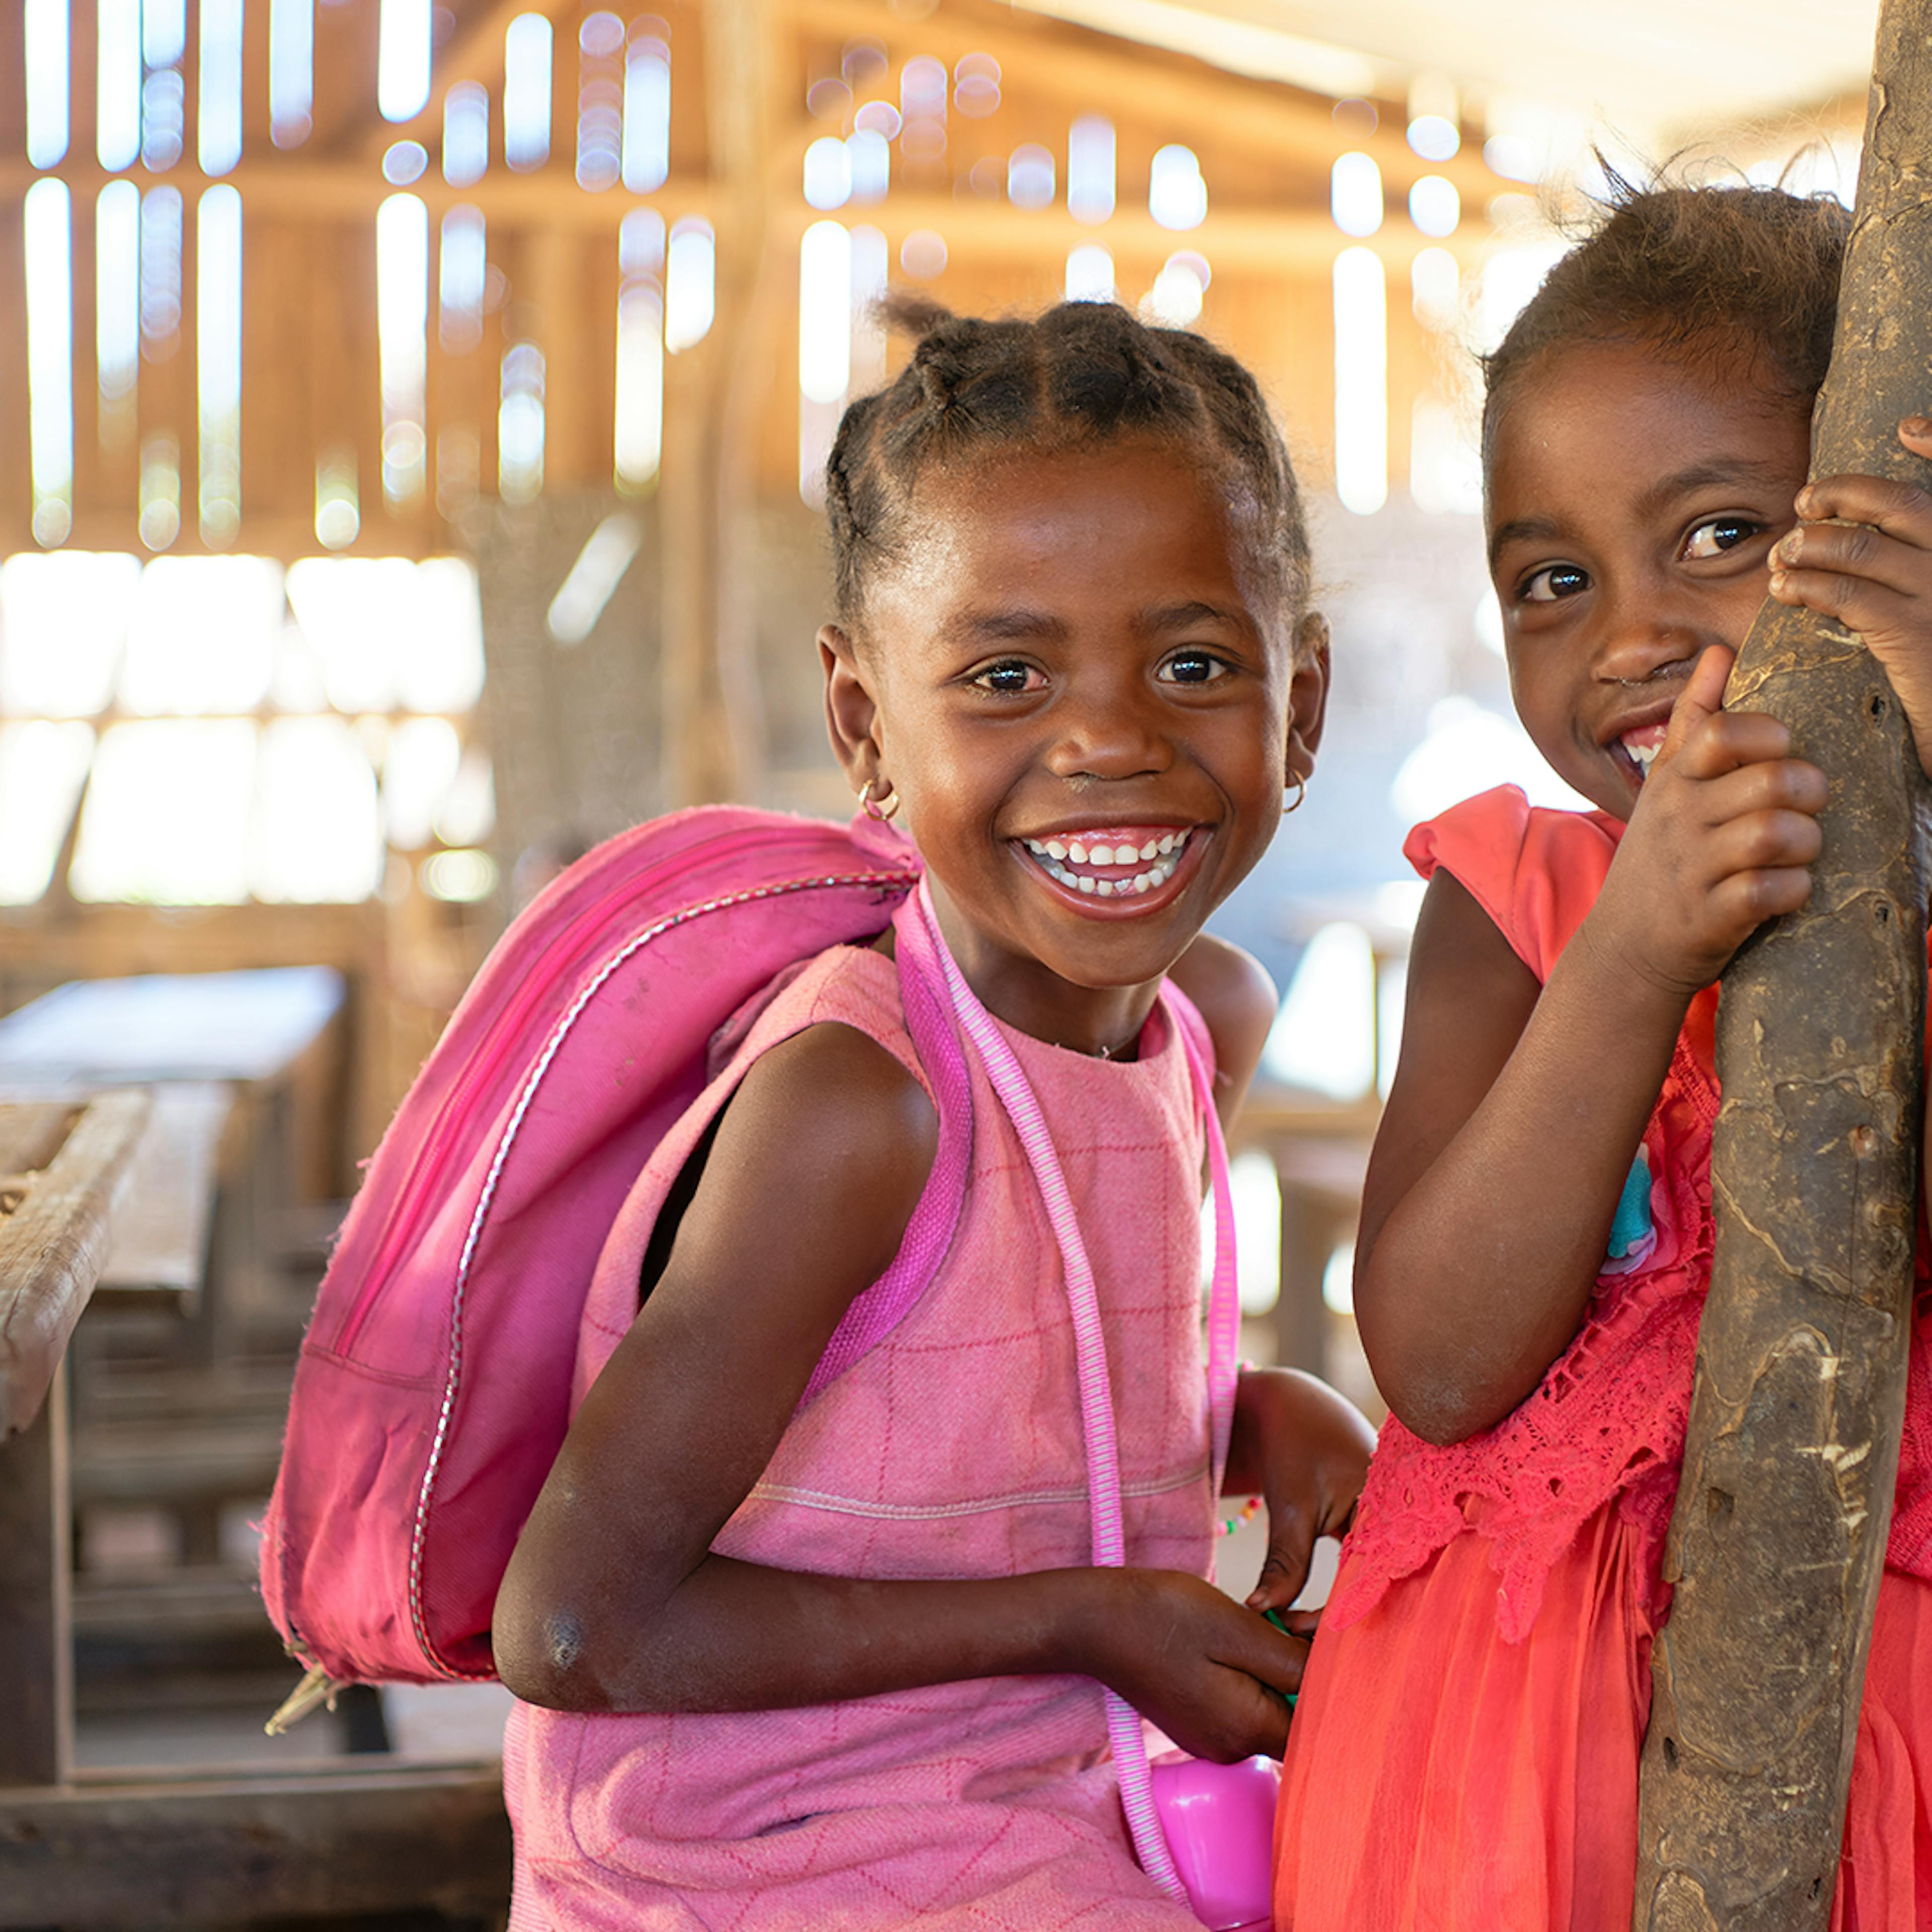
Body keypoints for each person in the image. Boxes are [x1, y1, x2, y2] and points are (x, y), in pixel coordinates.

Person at [491, 298, 1376, 1930]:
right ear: (864, 726)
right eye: (1005, 674)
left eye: (1194, 663)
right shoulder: (858, 1105)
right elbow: (573, 1628)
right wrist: (1083, 1621)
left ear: (1301, 703)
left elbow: (992, 1389)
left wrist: (1240, 1407)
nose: (1109, 737)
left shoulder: (1200, 1031)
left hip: (1047, 1795)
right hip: (763, 1851)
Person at [1273, 178, 1932, 1930]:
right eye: (1554, 577)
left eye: (1718, 537)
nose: (1628, 637)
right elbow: (1440, 1360)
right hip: (1501, 1797)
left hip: (1876, 1754)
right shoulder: (1519, 905)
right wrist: (1637, 953)